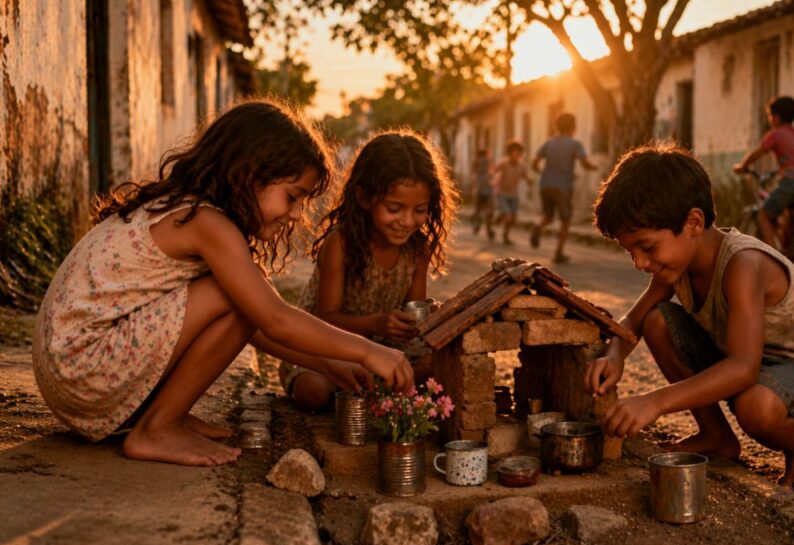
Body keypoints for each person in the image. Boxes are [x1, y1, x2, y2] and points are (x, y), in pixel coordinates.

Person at [32, 99, 414, 467]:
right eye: (292, 197)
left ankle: (167, 416)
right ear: (249, 175)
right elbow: (273, 319)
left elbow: (251, 327)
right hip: (81, 368)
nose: (296, 214)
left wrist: (330, 365)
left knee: (241, 299)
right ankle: (158, 427)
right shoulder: (207, 223)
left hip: (72, 373)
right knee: (235, 297)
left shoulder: (193, 211)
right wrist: (368, 351)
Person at [587, 143, 794, 494]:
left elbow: (743, 369)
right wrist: (614, 353)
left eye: (646, 247)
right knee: (656, 320)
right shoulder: (675, 265)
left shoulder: (743, 265)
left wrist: (654, 402)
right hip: (747, 362)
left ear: (693, 222)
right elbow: (634, 319)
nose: (640, 263)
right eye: (629, 250)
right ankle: (716, 436)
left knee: (755, 407)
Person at [279, 129, 457, 411]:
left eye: (420, 210)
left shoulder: (417, 248)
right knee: (313, 389)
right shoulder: (341, 244)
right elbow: (326, 318)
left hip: (388, 351)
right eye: (394, 208)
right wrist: (377, 323)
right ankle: (378, 394)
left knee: (441, 366)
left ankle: (373, 394)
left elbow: (415, 313)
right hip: (330, 345)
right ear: (364, 197)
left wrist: (424, 318)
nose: (407, 221)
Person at [732, 96, 794, 256]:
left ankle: (774, 257)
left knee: (764, 214)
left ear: (777, 117)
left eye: (770, 116)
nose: (769, 120)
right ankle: (790, 249)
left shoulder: (776, 134)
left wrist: (742, 166)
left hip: (792, 181)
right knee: (787, 211)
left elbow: (757, 154)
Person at [530, 113, 597, 264]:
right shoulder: (575, 144)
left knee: (548, 216)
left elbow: (534, 162)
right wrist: (595, 167)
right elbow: (585, 164)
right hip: (563, 187)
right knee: (565, 220)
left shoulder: (549, 143)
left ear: (556, 127)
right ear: (573, 127)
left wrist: (543, 173)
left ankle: (538, 227)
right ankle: (559, 252)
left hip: (545, 184)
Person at [491, 140, 533, 245]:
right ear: (510, 153)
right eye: (514, 152)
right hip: (502, 193)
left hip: (513, 194)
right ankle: (502, 218)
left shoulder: (521, 166)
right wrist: (492, 176)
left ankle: (505, 232)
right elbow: (493, 170)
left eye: (519, 152)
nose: (517, 154)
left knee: (513, 218)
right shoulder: (504, 163)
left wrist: (529, 181)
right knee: (508, 215)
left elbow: (526, 176)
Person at [470, 148, 494, 240]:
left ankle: (478, 226)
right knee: (488, 211)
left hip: (480, 190)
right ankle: (488, 230)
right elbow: (491, 173)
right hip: (486, 190)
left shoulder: (476, 162)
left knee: (479, 210)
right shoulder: (487, 161)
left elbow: (474, 176)